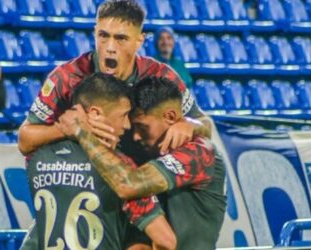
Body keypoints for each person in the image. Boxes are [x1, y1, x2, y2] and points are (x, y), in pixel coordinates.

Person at [18, 0, 211, 160]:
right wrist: (66, 130)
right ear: (95, 33)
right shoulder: (66, 77)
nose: (110, 47)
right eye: (103, 36)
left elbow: (205, 123)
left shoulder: (161, 75)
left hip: (145, 176)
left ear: (139, 41)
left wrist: (190, 126)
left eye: (121, 38)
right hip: (86, 179)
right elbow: (24, 140)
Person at [58, 77, 227, 250]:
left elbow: (129, 185)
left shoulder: (200, 153)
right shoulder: (151, 158)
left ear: (170, 116)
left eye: (142, 127)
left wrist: (81, 131)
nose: (136, 136)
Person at [26, 73, 176, 250]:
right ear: (95, 114)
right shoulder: (119, 170)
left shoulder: (39, 158)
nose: (127, 125)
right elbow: (165, 241)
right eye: (124, 115)